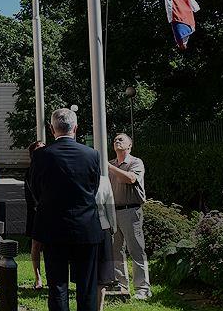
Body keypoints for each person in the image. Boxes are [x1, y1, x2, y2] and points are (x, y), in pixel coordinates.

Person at [30, 108, 104, 311]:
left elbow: (36, 189)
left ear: (52, 129)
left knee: (57, 286)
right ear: (76, 128)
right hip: (85, 225)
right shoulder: (92, 154)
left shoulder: (41, 155)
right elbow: (93, 188)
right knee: (87, 286)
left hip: (53, 226)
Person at [107, 133, 151, 299]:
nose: (117, 141)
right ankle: (121, 286)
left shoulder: (135, 162)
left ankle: (142, 289)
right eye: (115, 140)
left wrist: (109, 167)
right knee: (115, 251)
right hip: (113, 211)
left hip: (130, 210)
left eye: (121, 139)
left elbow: (131, 179)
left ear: (130, 146)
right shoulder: (110, 164)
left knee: (136, 250)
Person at [24, 140, 46, 289]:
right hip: (36, 212)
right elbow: (30, 195)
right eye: (39, 148)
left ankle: (51, 275)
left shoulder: (53, 167)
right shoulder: (30, 171)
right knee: (36, 244)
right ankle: (38, 278)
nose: (42, 150)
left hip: (51, 212)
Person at [95, 176, 117, 311]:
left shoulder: (74, 177)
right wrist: (113, 227)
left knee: (84, 274)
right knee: (102, 275)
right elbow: (110, 206)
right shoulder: (104, 181)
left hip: (81, 228)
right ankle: (99, 308)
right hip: (103, 227)